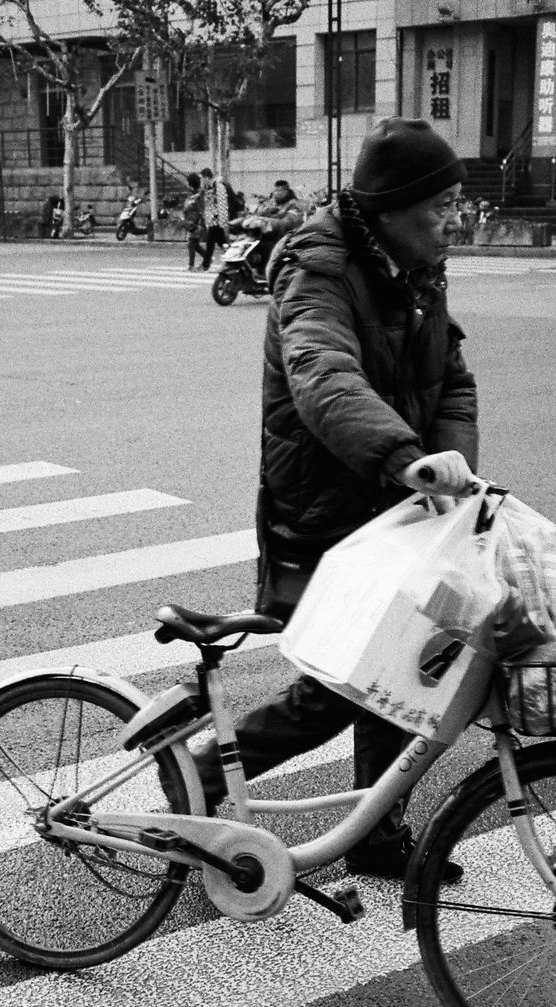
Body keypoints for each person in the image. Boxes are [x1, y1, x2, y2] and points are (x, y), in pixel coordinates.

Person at [191, 118, 478, 883]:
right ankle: (201, 770)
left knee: (402, 669)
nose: (455, 219)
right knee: (350, 684)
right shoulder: (316, 269)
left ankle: (376, 833)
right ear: (390, 210)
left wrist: (449, 471)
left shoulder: (417, 267)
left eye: (458, 202)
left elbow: (451, 380)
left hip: (395, 504)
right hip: (325, 505)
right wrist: (407, 459)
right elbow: (321, 373)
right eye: (441, 205)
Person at [243, 179, 305, 273]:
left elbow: (288, 223)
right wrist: (258, 216)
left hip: (285, 239)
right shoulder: (273, 203)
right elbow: (259, 214)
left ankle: (267, 274)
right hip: (269, 236)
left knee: (267, 247)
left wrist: (267, 222)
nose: (277, 193)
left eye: (280, 191)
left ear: (286, 191)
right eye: (275, 191)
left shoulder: (294, 205)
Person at [200, 167, 239, 270]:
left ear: (207, 177)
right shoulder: (209, 187)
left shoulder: (219, 186)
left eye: (202, 178)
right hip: (214, 220)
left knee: (210, 242)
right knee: (221, 242)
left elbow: (222, 204)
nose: (202, 181)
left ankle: (205, 265)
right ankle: (234, 260)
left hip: (218, 220)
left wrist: (223, 222)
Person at [182, 172, 207, 271]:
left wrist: (199, 223)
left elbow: (201, 210)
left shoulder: (198, 196)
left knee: (191, 244)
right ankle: (207, 258)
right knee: (194, 244)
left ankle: (191, 265)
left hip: (196, 223)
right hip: (190, 222)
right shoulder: (192, 194)